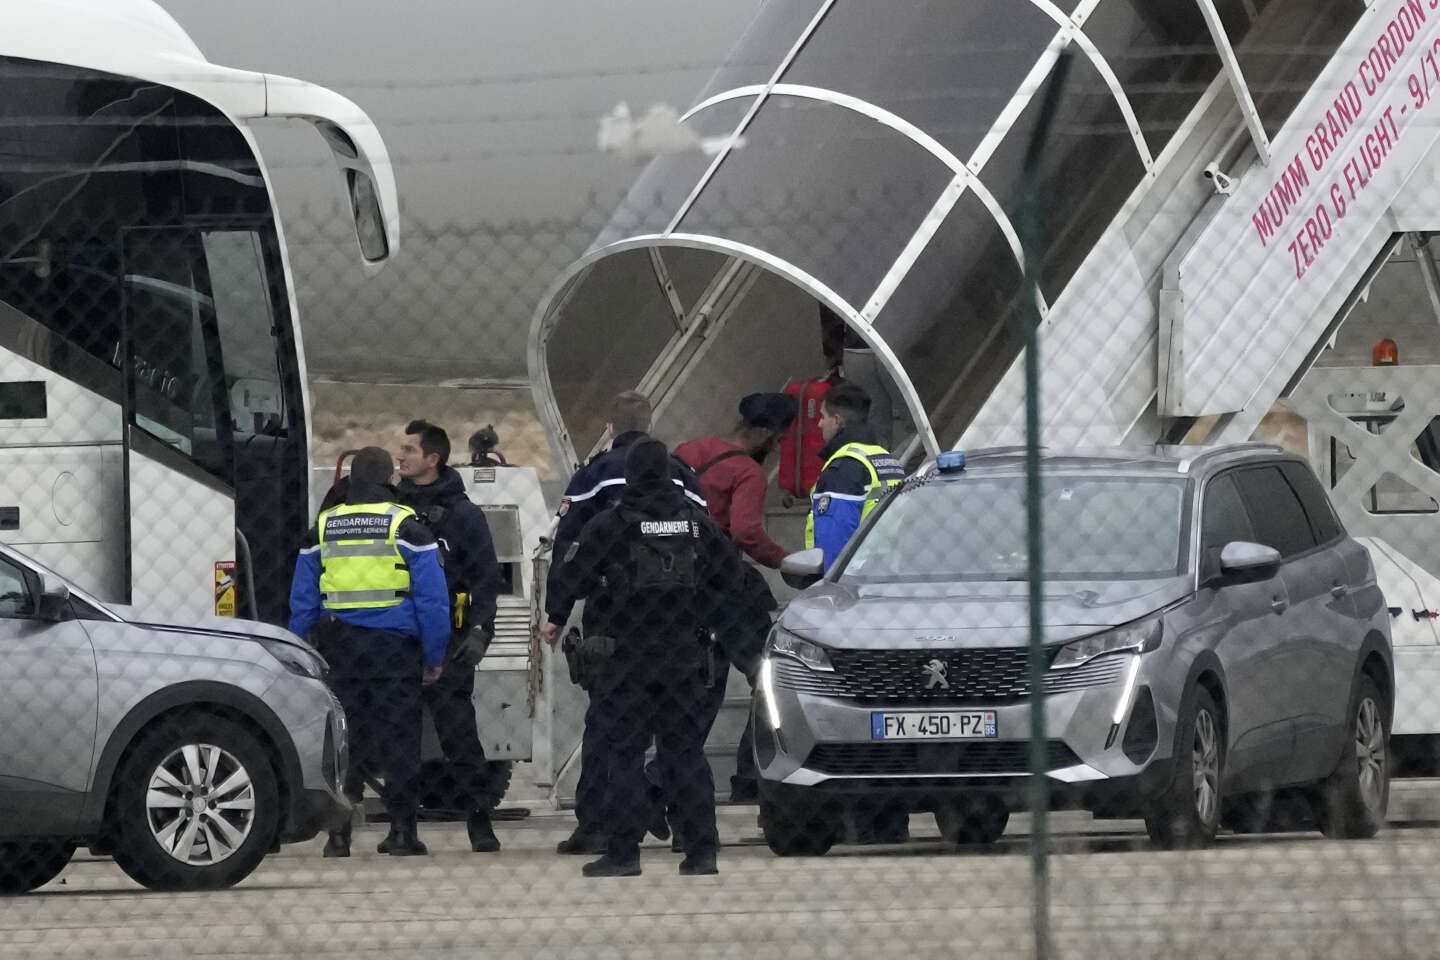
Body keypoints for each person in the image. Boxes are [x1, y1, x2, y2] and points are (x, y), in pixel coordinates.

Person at [544, 439, 743, 877]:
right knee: (685, 752)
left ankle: (623, 853)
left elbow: (572, 577)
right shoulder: (698, 525)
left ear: (630, 476)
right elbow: (732, 580)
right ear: (671, 476)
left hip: (624, 660)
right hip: (685, 657)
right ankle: (701, 851)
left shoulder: (609, 524)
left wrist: (557, 616)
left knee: (625, 754)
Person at [538, 390, 705, 855]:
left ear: (610, 428)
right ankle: (689, 828)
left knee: (609, 724)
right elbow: (708, 539)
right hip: (680, 619)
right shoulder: (682, 474)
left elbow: (569, 547)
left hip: (614, 618)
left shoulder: (592, 476)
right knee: (679, 730)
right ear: (649, 426)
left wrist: (556, 613)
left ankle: (598, 824)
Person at [288, 446, 450, 857]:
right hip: (394, 651)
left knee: (345, 740)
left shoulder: (322, 528)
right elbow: (433, 601)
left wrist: (299, 649)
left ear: (351, 479)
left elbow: (303, 601)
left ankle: (338, 835)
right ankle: (402, 832)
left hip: (339, 649)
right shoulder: (407, 527)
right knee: (400, 738)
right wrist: (434, 656)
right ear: (389, 479)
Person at [674, 392, 797, 804]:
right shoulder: (747, 472)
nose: (776, 447)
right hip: (726, 589)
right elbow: (745, 531)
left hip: (681, 590)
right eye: (778, 439)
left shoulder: (688, 451)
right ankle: (750, 776)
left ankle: (670, 773)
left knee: (704, 683)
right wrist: (785, 560)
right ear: (764, 433)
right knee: (771, 676)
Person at [396, 419, 504, 853]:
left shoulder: (464, 515)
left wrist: (481, 630)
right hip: (400, 638)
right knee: (399, 737)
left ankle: (480, 819)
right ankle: (402, 829)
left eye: (409, 450)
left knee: (459, 735)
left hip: (451, 641)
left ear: (433, 459)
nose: (400, 457)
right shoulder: (392, 509)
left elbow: (486, 579)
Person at [807, 382, 905, 571]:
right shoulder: (886, 458)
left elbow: (834, 543)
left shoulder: (844, 467)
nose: (819, 424)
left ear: (837, 420)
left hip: (852, 578)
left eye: (823, 416)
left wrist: (827, 581)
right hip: (886, 572)